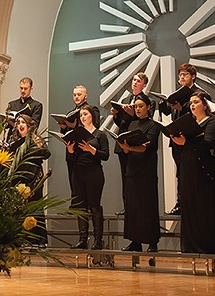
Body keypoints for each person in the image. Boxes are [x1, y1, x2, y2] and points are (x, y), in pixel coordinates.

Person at [169, 92, 215, 254]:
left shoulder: (213, 122)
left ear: (205, 105)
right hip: (190, 172)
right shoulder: (189, 123)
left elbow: (208, 143)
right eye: (191, 102)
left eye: (196, 102)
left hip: (208, 174)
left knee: (208, 211)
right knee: (192, 209)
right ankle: (193, 247)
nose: (192, 105)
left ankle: (210, 247)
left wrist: (186, 142)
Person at [159, 63, 206, 216]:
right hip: (177, 140)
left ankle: (193, 203)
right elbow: (166, 111)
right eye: (180, 75)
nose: (182, 77)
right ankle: (181, 202)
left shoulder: (199, 94)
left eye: (185, 74)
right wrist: (164, 103)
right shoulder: (177, 95)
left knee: (193, 172)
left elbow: (201, 116)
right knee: (180, 173)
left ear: (193, 76)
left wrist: (183, 108)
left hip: (191, 140)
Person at [117, 93, 161, 252]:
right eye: (136, 106)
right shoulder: (132, 124)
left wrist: (129, 148)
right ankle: (135, 241)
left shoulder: (154, 125)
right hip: (132, 169)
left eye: (141, 106)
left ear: (149, 107)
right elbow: (129, 148)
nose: (138, 109)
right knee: (133, 206)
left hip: (146, 171)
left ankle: (152, 242)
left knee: (148, 206)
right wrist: (125, 148)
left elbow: (147, 147)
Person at [65, 105, 109, 249]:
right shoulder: (77, 133)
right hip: (78, 173)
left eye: (85, 114)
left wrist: (92, 150)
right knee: (81, 207)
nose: (83, 117)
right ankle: (83, 239)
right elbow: (72, 160)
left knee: (94, 206)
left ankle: (97, 240)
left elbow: (106, 155)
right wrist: (71, 151)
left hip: (94, 173)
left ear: (92, 116)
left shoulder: (100, 134)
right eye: (81, 115)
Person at [110, 72, 152, 215]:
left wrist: (133, 114)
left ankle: (136, 206)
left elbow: (145, 122)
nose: (134, 82)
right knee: (125, 176)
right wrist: (116, 115)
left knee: (136, 176)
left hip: (135, 144)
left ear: (144, 85)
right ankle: (126, 205)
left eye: (138, 81)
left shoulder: (146, 101)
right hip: (123, 142)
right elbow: (122, 123)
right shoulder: (127, 99)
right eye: (133, 80)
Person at [8, 114, 51, 246]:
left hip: (33, 176)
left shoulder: (35, 138)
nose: (20, 125)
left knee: (34, 206)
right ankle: (21, 239)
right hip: (19, 177)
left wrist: (39, 146)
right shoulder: (15, 140)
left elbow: (46, 153)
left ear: (29, 125)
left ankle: (37, 239)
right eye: (18, 122)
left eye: (23, 123)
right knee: (19, 207)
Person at [57, 85, 100, 196]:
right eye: (74, 95)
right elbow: (66, 134)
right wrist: (64, 127)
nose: (76, 97)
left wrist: (75, 125)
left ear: (85, 96)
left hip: (84, 149)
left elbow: (94, 128)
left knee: (87, 183)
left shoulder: (92, 109)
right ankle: (75, 206)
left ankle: (87, 208)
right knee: (73, 180)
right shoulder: (71, 113)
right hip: (71, 150)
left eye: (79, 94)